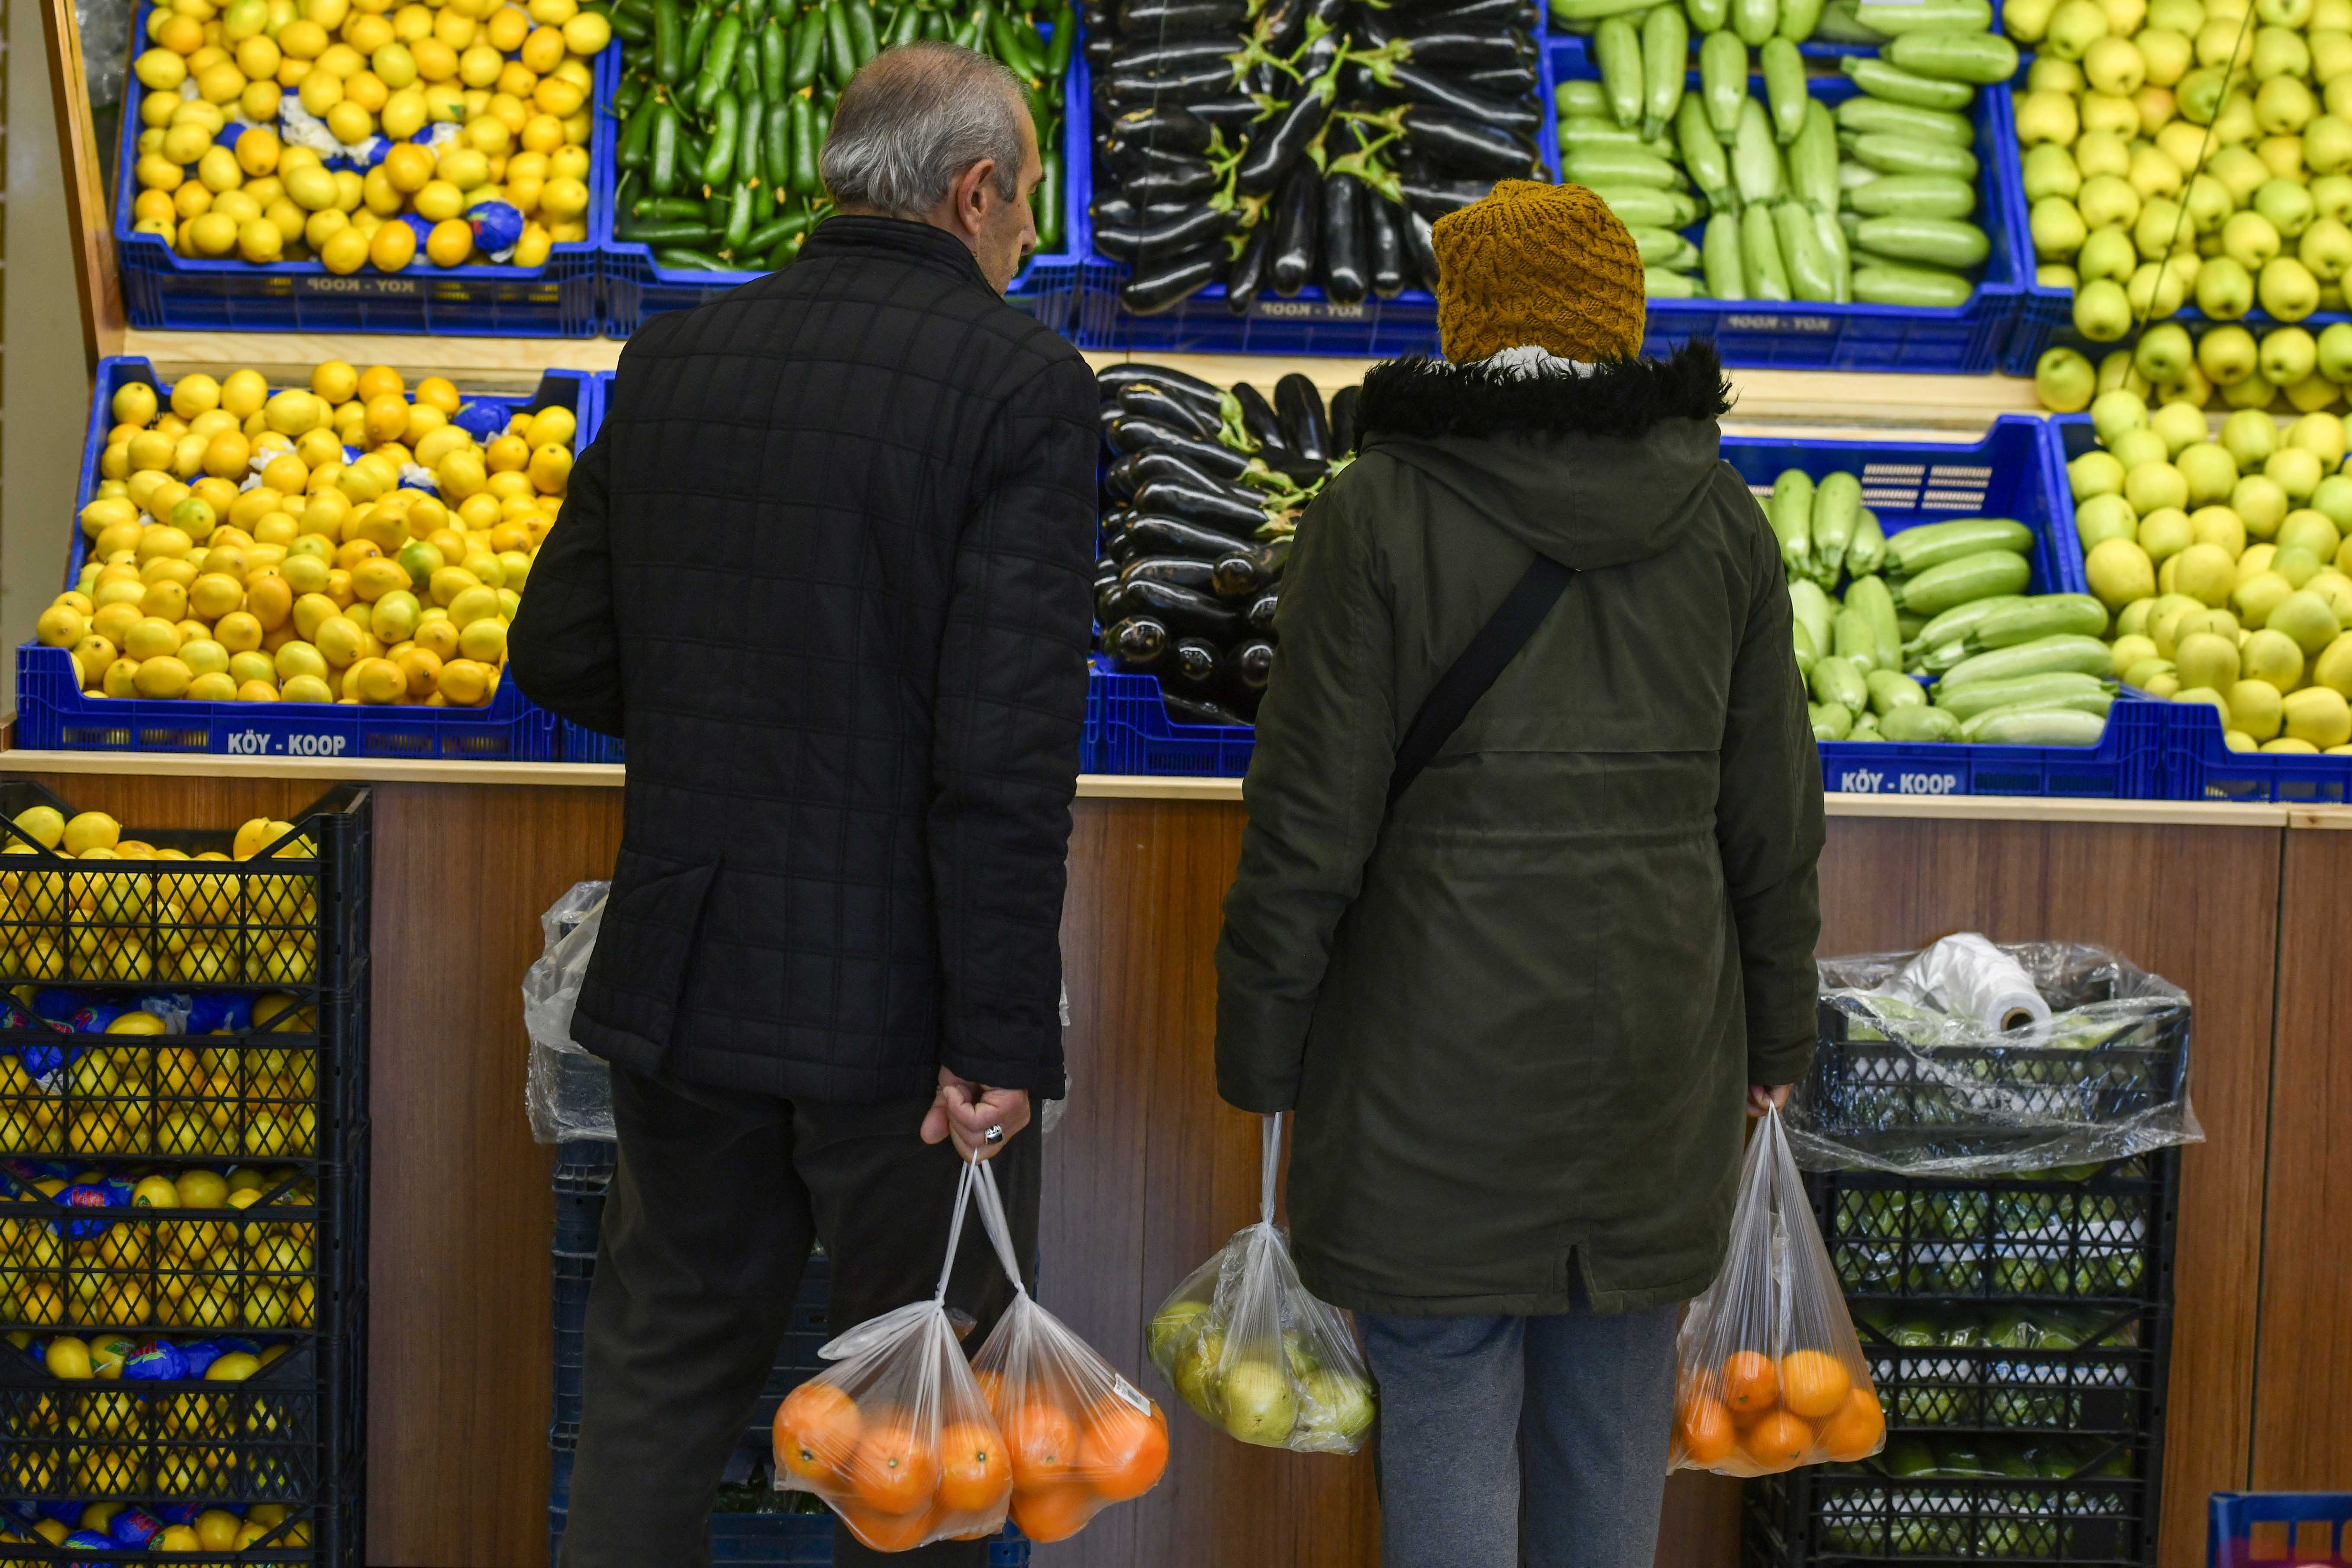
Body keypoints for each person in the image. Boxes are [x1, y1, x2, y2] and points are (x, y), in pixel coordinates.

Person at [509, 42, 1098, 1568]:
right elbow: (1002, 755)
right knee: (919, 1423)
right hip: (903, 1018)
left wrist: (739, 727)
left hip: (689, 966)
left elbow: (559, 649)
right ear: (975, 192)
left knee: (658, 1363)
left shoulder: (677, 354)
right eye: (1025, 207)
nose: (1024, 238)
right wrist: (998, 1042)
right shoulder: (1021, 381)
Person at [1212, 180, 1826, 1568]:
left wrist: (1261, 1055)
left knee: (1436, 1424)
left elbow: (1305, 821)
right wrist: (1777, 1036)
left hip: (1426, 1076)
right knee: (1612, 1437)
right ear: (1621, 327)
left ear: (1463, 327)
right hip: (1653, 1072)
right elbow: (1773, 822)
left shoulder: (1372, 515)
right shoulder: (1720, 518)